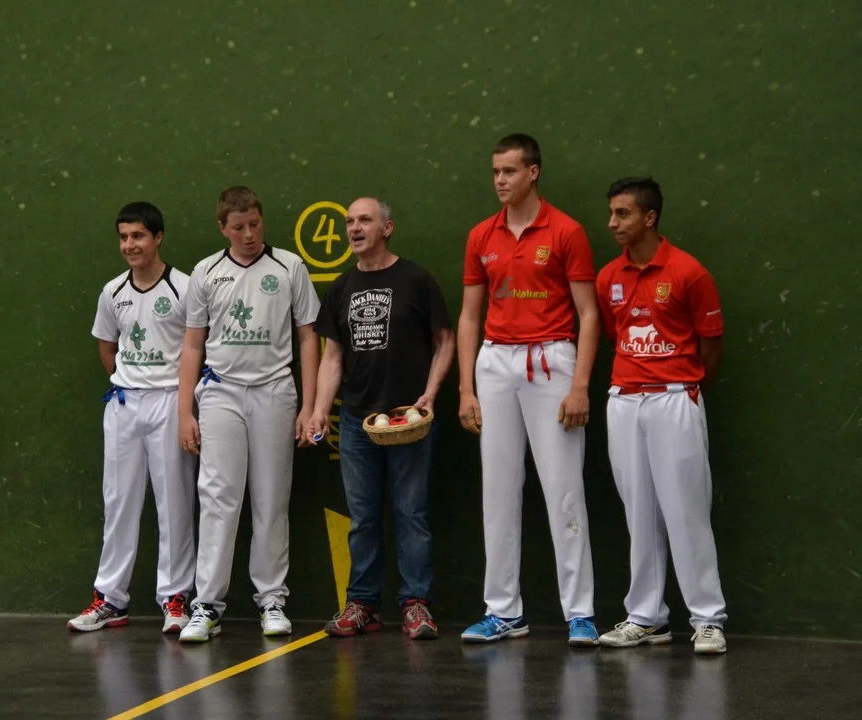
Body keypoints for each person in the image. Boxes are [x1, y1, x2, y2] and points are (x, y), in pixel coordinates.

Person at [457, 133, 602, 646]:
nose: (500, 180)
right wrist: (466, 388)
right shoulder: (481, 235)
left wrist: (580, 386)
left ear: (533, 172)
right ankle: (503, 612)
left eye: (510, 171)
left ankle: (580, 612)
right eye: (495, 171)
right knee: (497, 490)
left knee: (564, 489)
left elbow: (589, 314)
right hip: (495, 363)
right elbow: (469, 315)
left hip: (551, 362)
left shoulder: (566, 231)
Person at [306, 197, 455, 640]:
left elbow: (445, 340)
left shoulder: (416, 279)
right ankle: (363, 604)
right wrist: (318, 410)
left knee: (411, 514)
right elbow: (332, 358)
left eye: (364, 220)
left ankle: (415, 604)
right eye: (349, 221)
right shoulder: (340, 287)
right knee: (363, 518)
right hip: (357, 422)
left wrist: (429, 395)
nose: (354, 228)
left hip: (408, 420)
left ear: (386, 228)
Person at [176, 185, 320, 642]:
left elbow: (308, 337)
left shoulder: (289, 266)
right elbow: (192, 345)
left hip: (276, 391)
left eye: (254, 224)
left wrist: (310, 406)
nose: (249, 234)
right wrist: (184, 412)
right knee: (218, 497)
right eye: (238, 228)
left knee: (272, 497)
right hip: (220, 393)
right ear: (223, 228)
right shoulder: (205, 272)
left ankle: (272, 600)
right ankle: (207, 606)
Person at [594, 177, 728, 654]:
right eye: (611, 213)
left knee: (687, 510)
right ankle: (647, 617)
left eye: (623, 213)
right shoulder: (608, 277)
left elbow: (711, 345)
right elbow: (615, 335)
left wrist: (688, 388)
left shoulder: (689, 272)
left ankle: (708, 619)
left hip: (675, 398)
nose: (612, 223)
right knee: (639, 511)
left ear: (649, 217)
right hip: (624, 400)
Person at [68, 201, 197, 634]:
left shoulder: (184, 288)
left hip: (170, 403)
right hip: (123, 404)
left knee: (174, 502)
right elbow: (107, 346)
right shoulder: (113, 292)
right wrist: (131, 381)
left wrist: (176, 400)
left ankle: (175, 598)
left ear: (158, 238)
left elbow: (197, 349)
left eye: (138, 236)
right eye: (124, 237)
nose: (130, 245)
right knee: (119, 501)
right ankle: (110, 599)